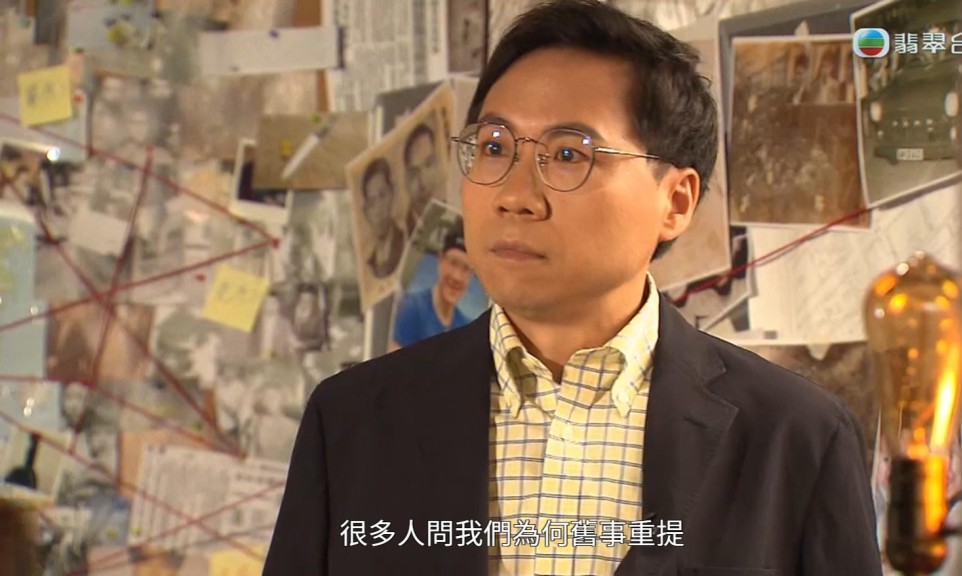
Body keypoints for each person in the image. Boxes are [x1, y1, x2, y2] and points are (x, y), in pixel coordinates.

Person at [264, 1, 881, 575]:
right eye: (494, 147)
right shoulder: (352, 422)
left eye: (568, 155)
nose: (514, 196)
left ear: (676, 201)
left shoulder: (796, 437)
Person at [389, 229, 473, 350]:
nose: (457, 276)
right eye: (453, 263)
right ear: (440, 260)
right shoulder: (411, 309)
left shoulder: (465, 328)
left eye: (465, 268)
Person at [359, 158, 405, 279]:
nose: (379, 210)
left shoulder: (406, 243)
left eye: (382, 196)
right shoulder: (370, 265)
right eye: (372, 202)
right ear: (366, 212)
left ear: (392, 194)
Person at [402, 122, 442, 236]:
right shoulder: (402, 234)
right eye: (415, 172)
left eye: (429, 164)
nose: (423, 182)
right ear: (406, 180)